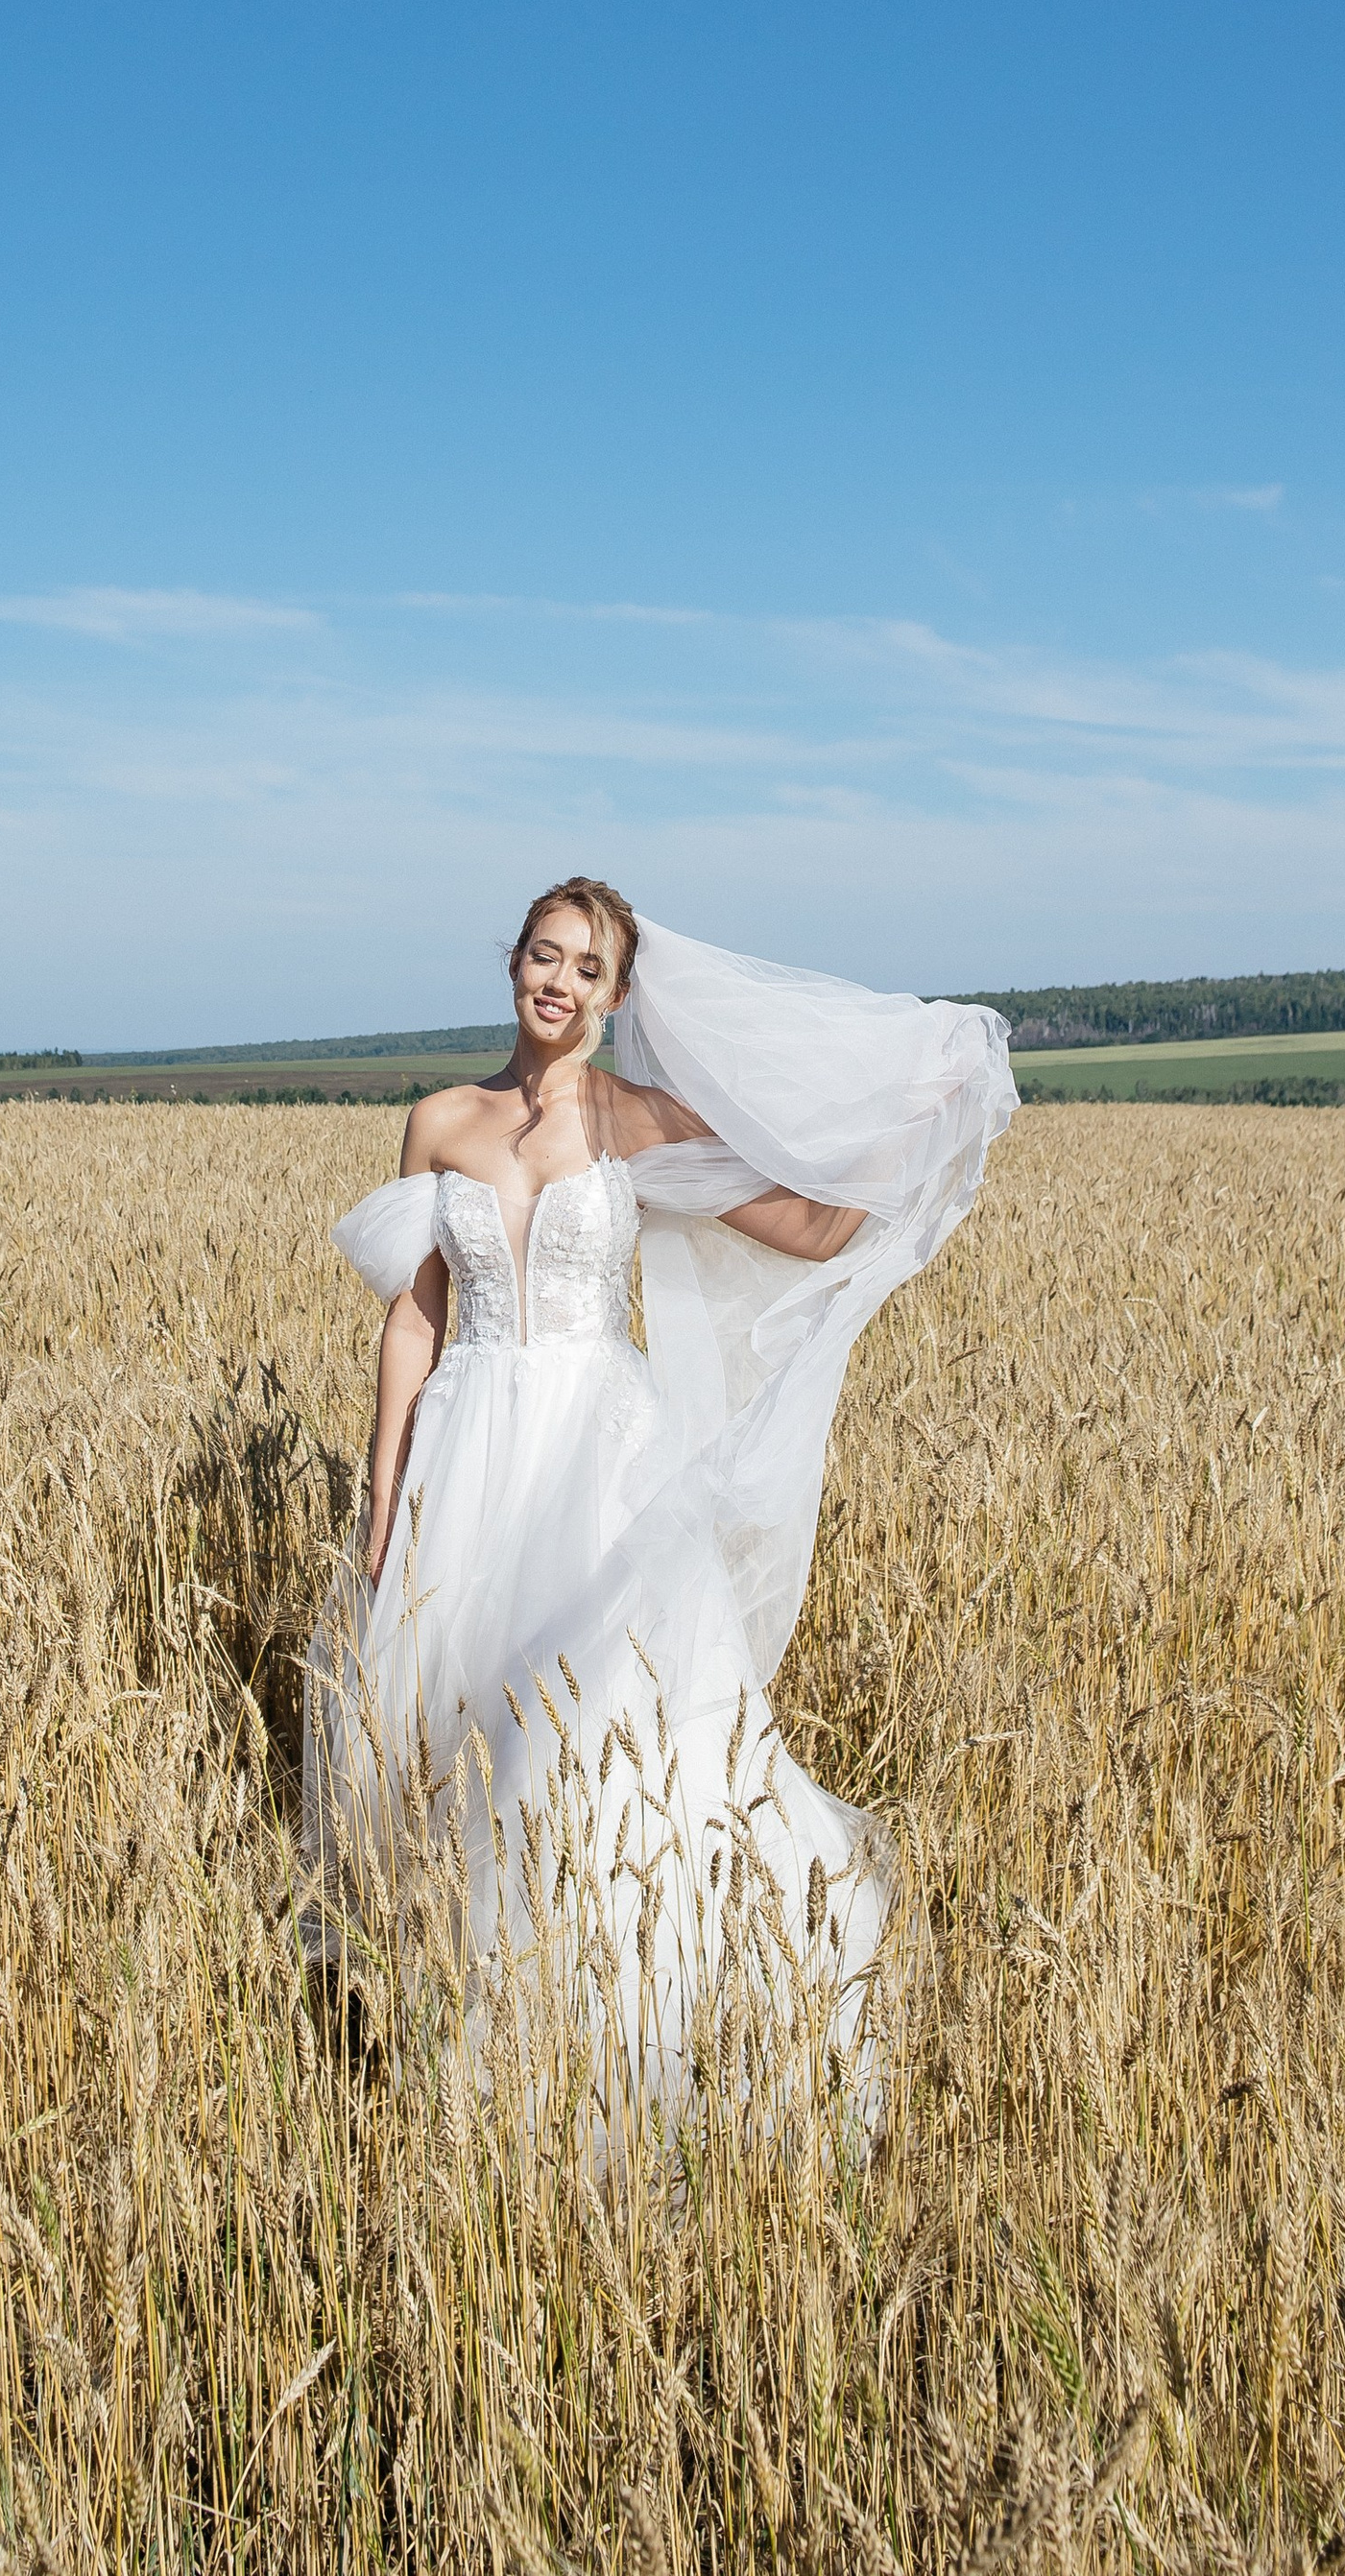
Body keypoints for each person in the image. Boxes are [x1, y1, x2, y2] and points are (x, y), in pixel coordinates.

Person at [299, 877, 1016, 2109]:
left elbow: (802, 1226)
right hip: (467, 1456)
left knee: (591, 1727)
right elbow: (415, 1321)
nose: (558, 981)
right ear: (511, 964)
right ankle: (460, 2009)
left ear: (617, 994)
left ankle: (615, 2013)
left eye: (585, 966)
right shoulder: (439, 1121)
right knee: (450, 1730)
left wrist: (913, 1129)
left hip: (596, 1454)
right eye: (542, 954)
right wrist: (382, 1494)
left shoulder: (632, 1119)